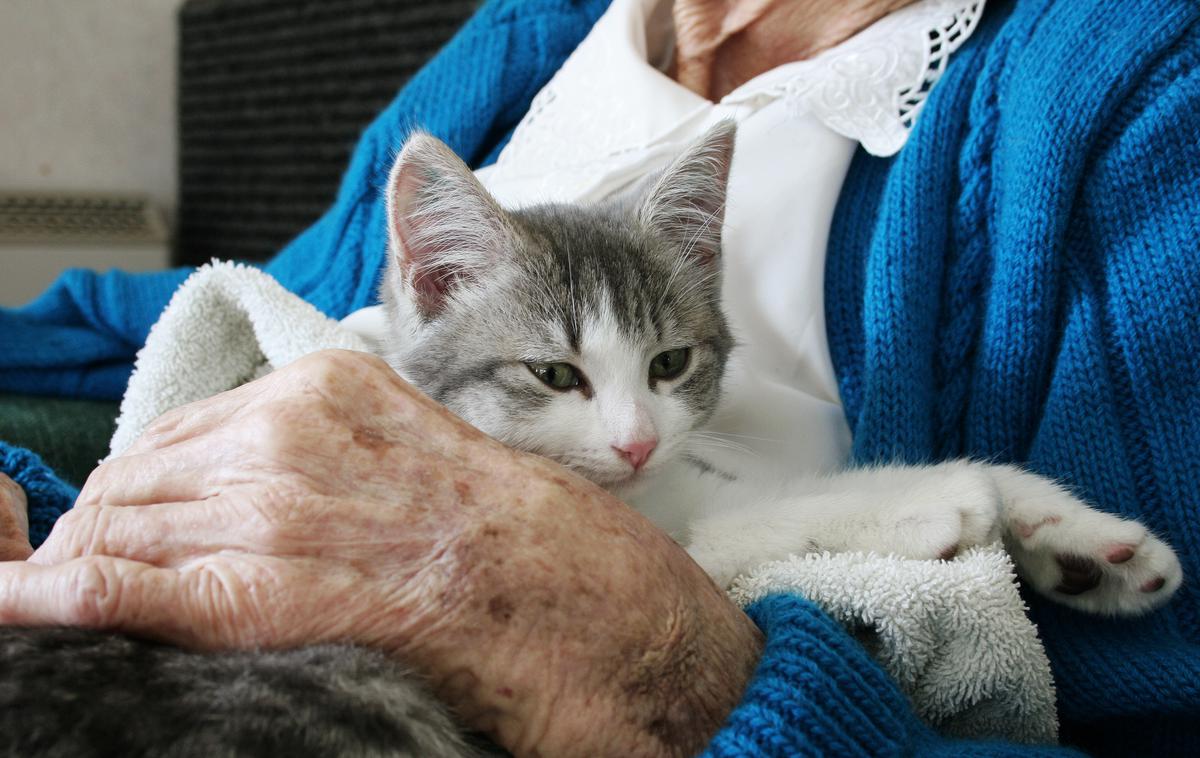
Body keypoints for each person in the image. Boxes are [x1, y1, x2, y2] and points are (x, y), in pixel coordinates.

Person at [1, 0, 1198, 755]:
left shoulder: (1122, 76)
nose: (628, 430)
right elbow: (250, 305)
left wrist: (671, 671)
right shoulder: (533, 33)